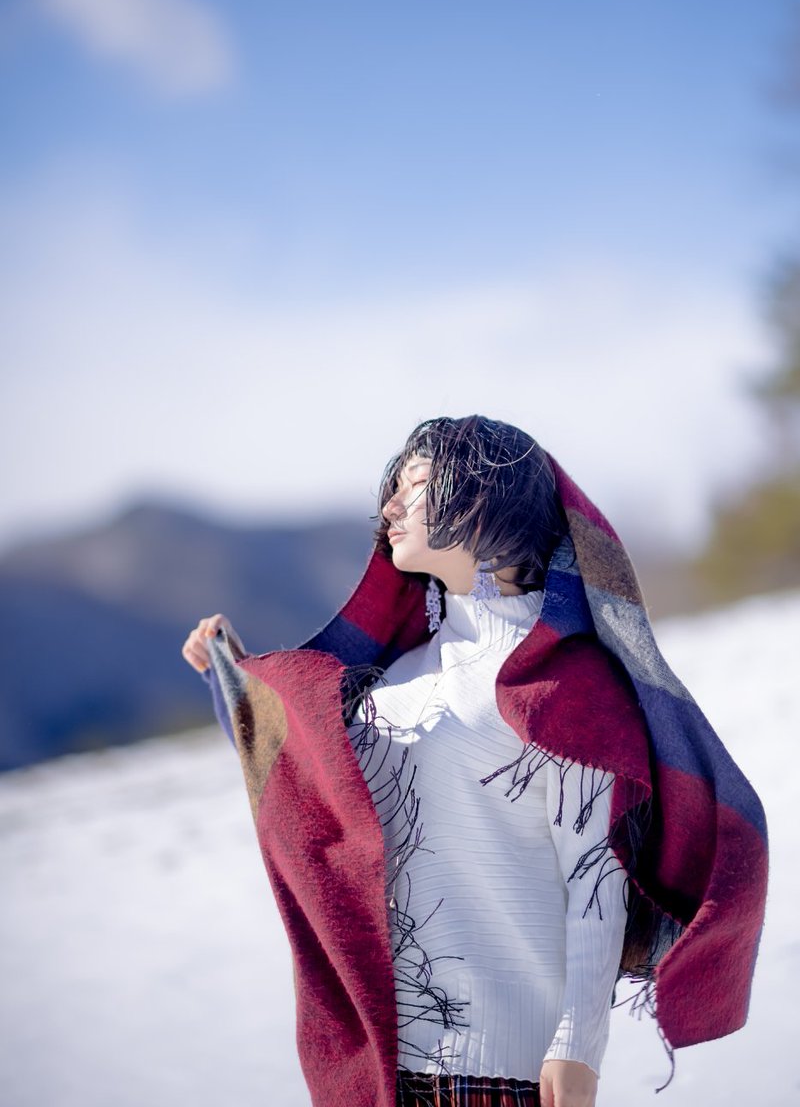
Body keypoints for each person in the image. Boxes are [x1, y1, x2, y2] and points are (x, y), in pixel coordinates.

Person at [182, 415, 768, 1107]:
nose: (390, 507)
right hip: (377, 1068)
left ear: (490, 497)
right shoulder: (392, 676)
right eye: (393, 489)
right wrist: (240, 687)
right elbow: (317, 795)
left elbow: (594, 878)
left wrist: (579, 1043)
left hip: (501, 1070)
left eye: (417, 484)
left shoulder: (565, 683)